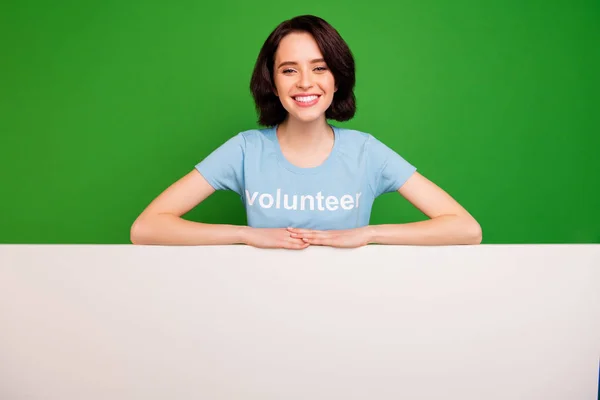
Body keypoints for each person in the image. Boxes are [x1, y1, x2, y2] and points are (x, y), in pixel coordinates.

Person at [130, 15, 482, 249]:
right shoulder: (244, 150)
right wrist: (247, 235)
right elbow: (146, 228)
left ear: (336, 78)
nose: (305, 83)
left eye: (319, 67)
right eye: (288, 70)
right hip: (262, 308)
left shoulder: (366, 152)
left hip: (348, 308)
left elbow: (466, 228)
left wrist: (369, 234)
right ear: (272, 81)